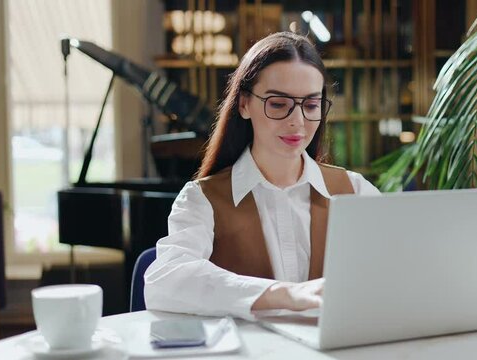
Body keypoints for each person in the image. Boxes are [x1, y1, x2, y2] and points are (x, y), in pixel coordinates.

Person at [144, 32, 380, 320]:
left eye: (311, 105)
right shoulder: (202, 198)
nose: (298, 121)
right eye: (278, 104)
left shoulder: (353, 190)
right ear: (244, 104)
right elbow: (165, 280)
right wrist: (284, 294)